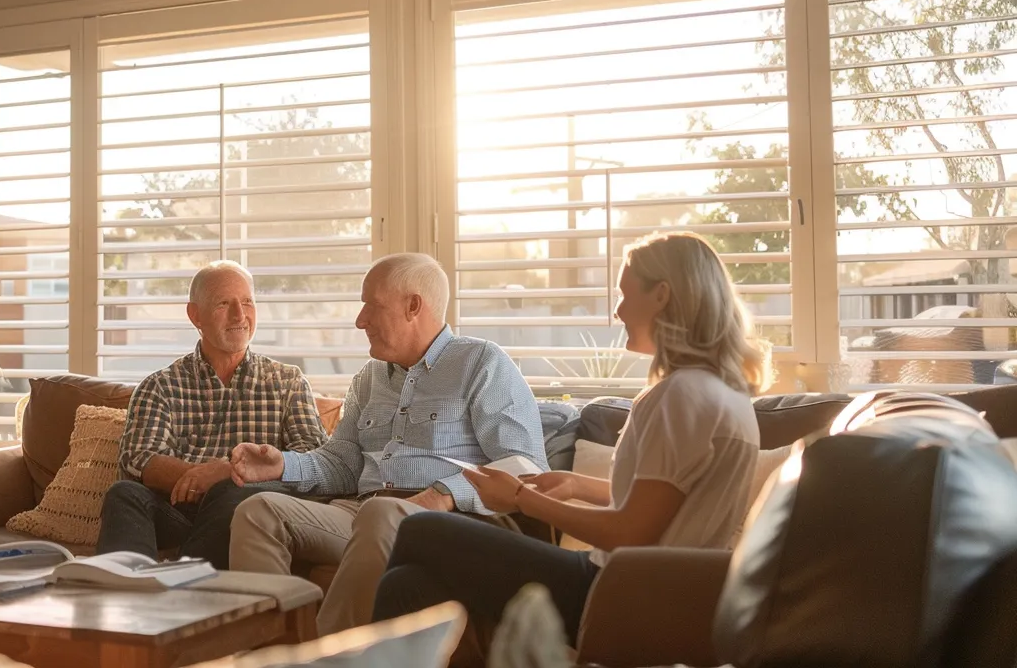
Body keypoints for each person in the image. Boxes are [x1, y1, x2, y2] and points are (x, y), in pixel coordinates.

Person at [372, 232, 769, 649]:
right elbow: (667, 502)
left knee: (424, 528)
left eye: (624, 294)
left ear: (661, 296)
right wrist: (576, 485)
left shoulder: (680, 396)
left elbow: (630, 532)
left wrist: (522, 500)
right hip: (665, 589)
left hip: (622, 589)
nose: (617, 311)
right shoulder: (724, 393)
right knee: (409, 585)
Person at [228, 252, 546, 634]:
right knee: (259, 510)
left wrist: (441, 494)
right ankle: (272, 654)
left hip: (449, 523)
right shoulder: (369, 378)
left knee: (382, 513)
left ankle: (330, 661)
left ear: (413, 306)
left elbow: (525, 465)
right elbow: (342, 463)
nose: (360, 320)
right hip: (365, 515)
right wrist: (282, 466)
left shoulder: (481, 362)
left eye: (371, 306)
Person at [96, 260, 329, 568]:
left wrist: (226, 473)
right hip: (179, 510)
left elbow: (314, 460)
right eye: (224, 304)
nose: (240, 315)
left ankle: (183, 583)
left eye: (247, 302)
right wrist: (204, 478)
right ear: (195, 315)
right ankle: (122, 590)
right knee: (124, 494)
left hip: (247, 511)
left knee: (233, 492)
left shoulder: (288, 382)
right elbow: (140, 458)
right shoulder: (161, 385)